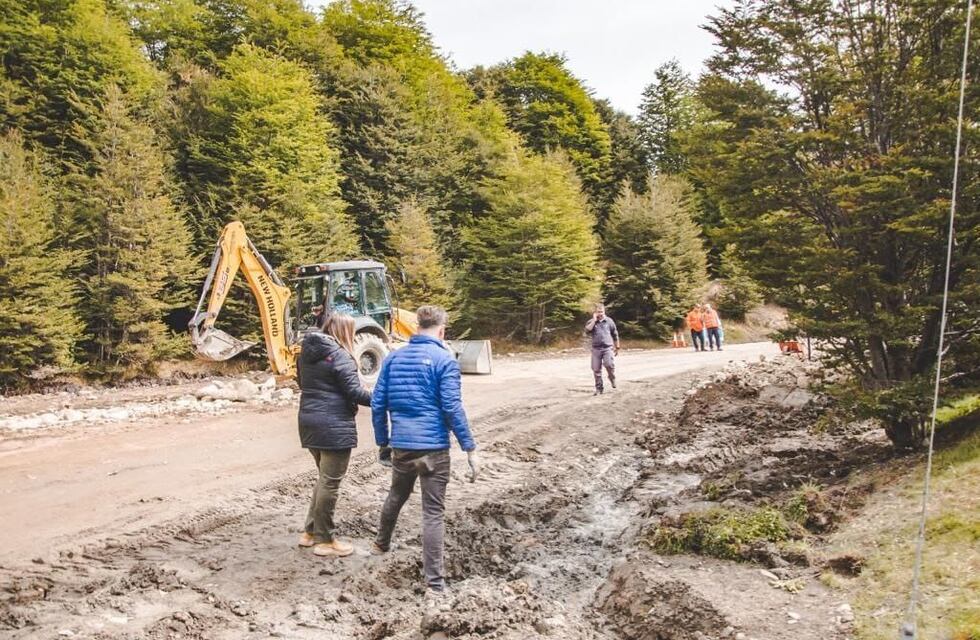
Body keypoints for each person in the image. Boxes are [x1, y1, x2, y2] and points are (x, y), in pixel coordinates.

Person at [371, 305, 479, 593]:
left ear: (416, 326)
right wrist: (469, 447)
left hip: (403, 444)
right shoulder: (444, 360)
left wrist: (383, 442)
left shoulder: (393, 359)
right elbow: (452, 408)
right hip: (433, 447)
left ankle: (381, 544)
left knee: (397, 494)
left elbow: (378, 404)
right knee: (433, 512)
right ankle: (435, 583)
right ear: (442, 330)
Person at [296, 313, 372, 558]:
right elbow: (355, 392)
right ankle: (325, 540)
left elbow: (303, 384)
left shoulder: (305, 355)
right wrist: (385, 398)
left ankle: (309, 533)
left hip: (308, 420)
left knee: (324, 478)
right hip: (334, 425)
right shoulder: (341, 356)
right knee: (330, 482)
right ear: (345, 331)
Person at [585, 303, 620, 396]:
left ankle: (612, 378)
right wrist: (594, 320)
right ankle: (599, 388)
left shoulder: (609, 321)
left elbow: (615, 334)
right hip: (596, 349)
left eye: (602, 312)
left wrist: (617, 347)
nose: (600, 313)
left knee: (609, 364)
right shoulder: (591, 322)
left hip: (607, 348)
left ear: (604, 312)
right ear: (595, 312)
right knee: (596, 369)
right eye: (598, 312)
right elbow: (587, 330)